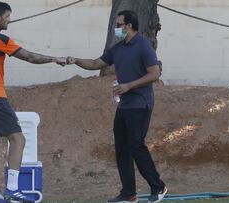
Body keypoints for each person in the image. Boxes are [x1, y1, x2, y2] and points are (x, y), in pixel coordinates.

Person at [0, 1, 66, 202]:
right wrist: (54, 59)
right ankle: (12, 188)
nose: (9, 20)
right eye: (7, 17)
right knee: (18, 139)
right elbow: (28, 57)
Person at [67, 10, 167, 203]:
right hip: (125, 106)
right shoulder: (118, 48)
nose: (116, 28)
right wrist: (75, 60)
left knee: (136, 145)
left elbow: (155, 74)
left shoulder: (143, 46)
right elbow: (96, 63)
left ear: (129, 26)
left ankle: (159, 186)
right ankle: (129, 193)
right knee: (122, 148)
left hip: (141, 103)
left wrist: (128, 86)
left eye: (119, 25)